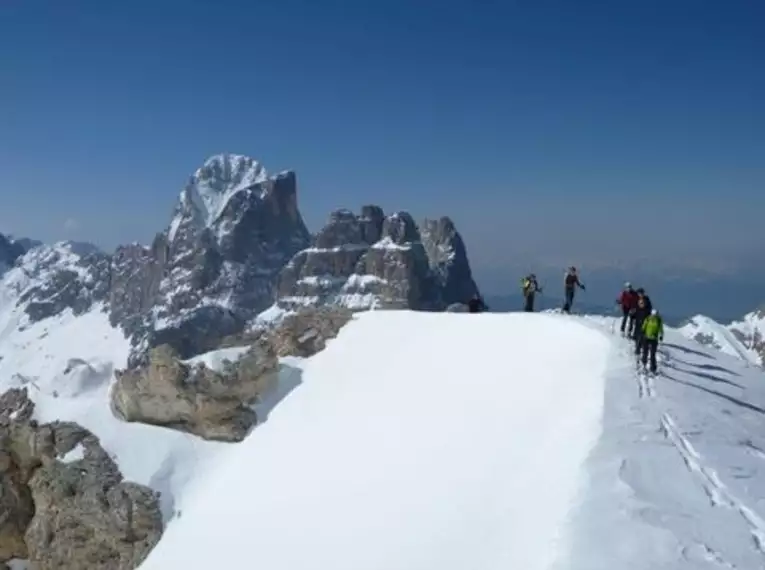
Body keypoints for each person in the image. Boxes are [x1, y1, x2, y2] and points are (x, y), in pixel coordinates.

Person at [641, 309, 664, 373]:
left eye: (655, 315)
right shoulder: (648, 318)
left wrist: (661, 335)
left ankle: (653, 368)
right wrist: (642, 330)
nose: (654, 316)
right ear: (651, 314)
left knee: (652, 354)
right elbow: (644, 325)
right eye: (653, 314)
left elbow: (661, 328)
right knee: (645, 352)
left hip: (654, 339)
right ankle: (644, 365)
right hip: (646, 337)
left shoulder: (659, 320)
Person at [633, 288, 653, 355]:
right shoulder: (637, 300)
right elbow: (636, 309)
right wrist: (633, 316)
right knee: (637, 333)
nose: (639, 294)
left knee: (641, 334)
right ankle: (638, 346)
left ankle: (638, 349)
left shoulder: (646, 300)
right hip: (638, 319)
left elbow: (649, 310)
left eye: (640, 293)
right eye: (639, 293)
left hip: (644, 320)